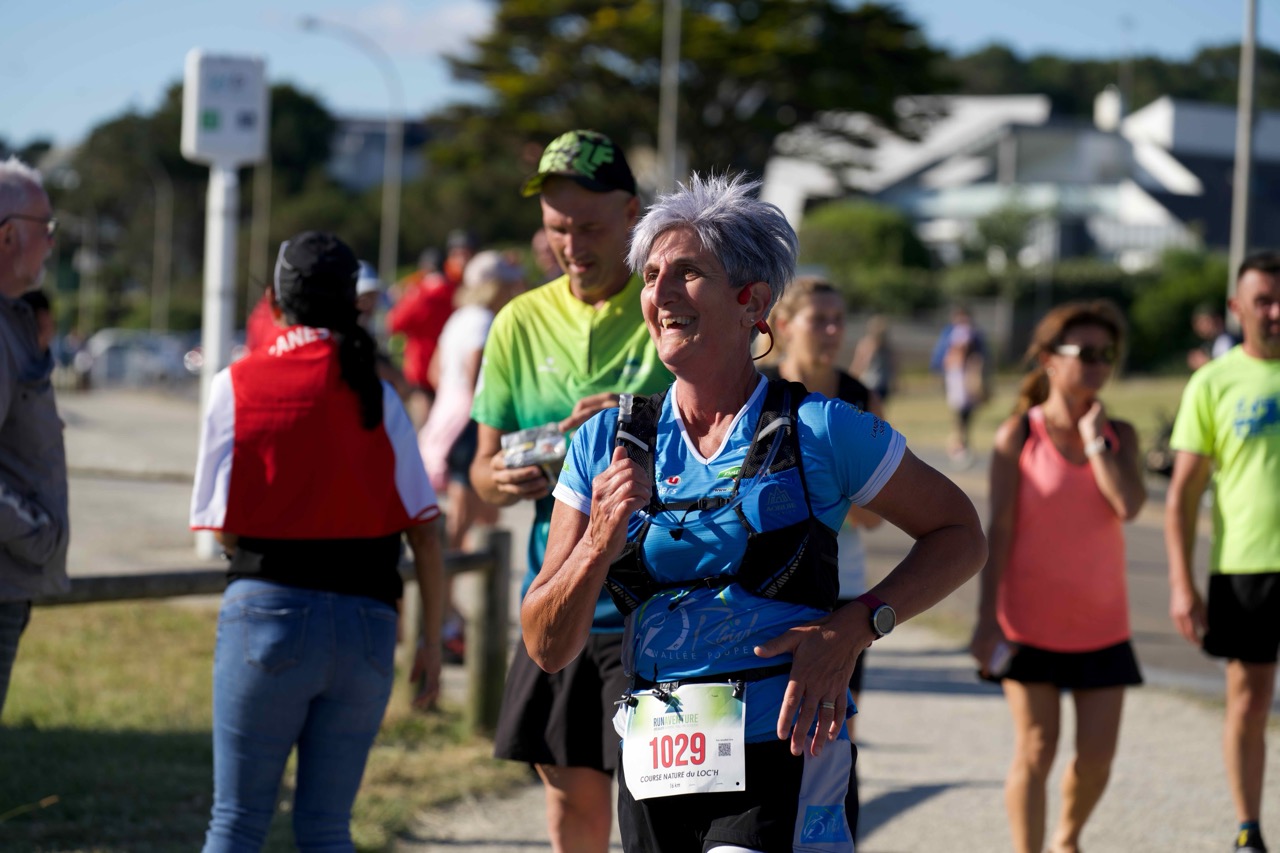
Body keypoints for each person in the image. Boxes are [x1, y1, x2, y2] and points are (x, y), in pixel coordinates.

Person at [525, 173, 986, 852]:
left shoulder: (822, 428)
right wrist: (597, 540)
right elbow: (545, 645)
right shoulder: (606, 441)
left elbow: (961, 534)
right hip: (655, 755)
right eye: (650, 276)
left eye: (687, 273)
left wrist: (855, 626)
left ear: (753, 301)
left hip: (783, 743)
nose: (660, 293)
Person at [190, 231, 447, 851]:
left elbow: (221, 527)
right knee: (328, 828)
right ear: (353, 304)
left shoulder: (234, 384)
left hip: (266, 612)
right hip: (367, 625)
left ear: (275, 303)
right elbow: (425, 532)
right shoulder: (379, 394)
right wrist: (431, 643)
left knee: (236, 822)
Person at [470, 129, 674, 853]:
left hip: (660, 610)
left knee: (658, 816)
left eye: (590, 228)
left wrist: (633, 416)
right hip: (561, 602)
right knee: (571, 812)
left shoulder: (671, 305)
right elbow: (481, 471)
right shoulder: (518, 321)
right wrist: (502, 478)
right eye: (558, 228)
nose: (571, 246)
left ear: (631, 214)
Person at [969, 300, 1146, 853]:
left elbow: (1128, 505)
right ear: (1049, 359)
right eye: (1085, 353)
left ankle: (1067, 841)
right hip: (1027, 623)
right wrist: (986, 620)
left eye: (1106, 354)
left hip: (1103, 625)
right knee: (1037, 748)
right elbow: (998, 531)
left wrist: (1096, 442)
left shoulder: (1120, 434)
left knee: (1096, 759)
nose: (1098, 364)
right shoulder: (1018, 435)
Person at [1165, 252, 1280, 853]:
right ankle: (1248, 828)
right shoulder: (1213, 381)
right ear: (1237, 308)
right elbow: (1183, 495)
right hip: (1245, 567)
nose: (1276, 311)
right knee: (1249, 701)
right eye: (1264, 300)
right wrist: (1182, 583)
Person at [765, 275, 885, 840]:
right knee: (770, 725)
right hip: (770, 587)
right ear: (784, 325)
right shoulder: (759, 390)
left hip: (842, 590)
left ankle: (833, 837)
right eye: (820, 320)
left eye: (840, 319)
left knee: (834, 729)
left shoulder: (858, 397)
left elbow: (875, 514)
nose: (834, 331)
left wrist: (825, 484)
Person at [419, 249, 525, 661]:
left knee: (471, 523)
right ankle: (448, 618)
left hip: (445, 423)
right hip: (470, 426)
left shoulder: (458, 318)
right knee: (464, 528)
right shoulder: (485, 323)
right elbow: (480, 376)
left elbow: (433, 371)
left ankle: (454, 616)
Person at [0, 157, 69, 718]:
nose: (51, 242)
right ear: (6, 236)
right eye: (44, 228)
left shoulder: (12, 320)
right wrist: (37, 535)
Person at [388, 231, 476, 396]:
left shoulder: (420, 293)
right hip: (451, 372)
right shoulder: (456, 291)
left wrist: (406, 297)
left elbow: (393, 323)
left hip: (421, 373)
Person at [931, 305, 989, 466]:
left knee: (963, 415)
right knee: (961, 416)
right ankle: (958, 446)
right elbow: (958, 353)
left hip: (959, 378)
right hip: (960, 379)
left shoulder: (959, 332)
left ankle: (961, 444)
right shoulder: (963, 332)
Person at [849, 313, 896, 405]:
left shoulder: (885, 347)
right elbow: (860, 364)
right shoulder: (867, 345)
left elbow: (859, 364)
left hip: (877, 383)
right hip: (872, 383)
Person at [1187, 302, 1238, 371]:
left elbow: (1226, 368)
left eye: (1204, 322)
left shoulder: (1225, 340)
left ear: (1217, 320)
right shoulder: (1209, 343)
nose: (1200, 326)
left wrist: (1206, 362)